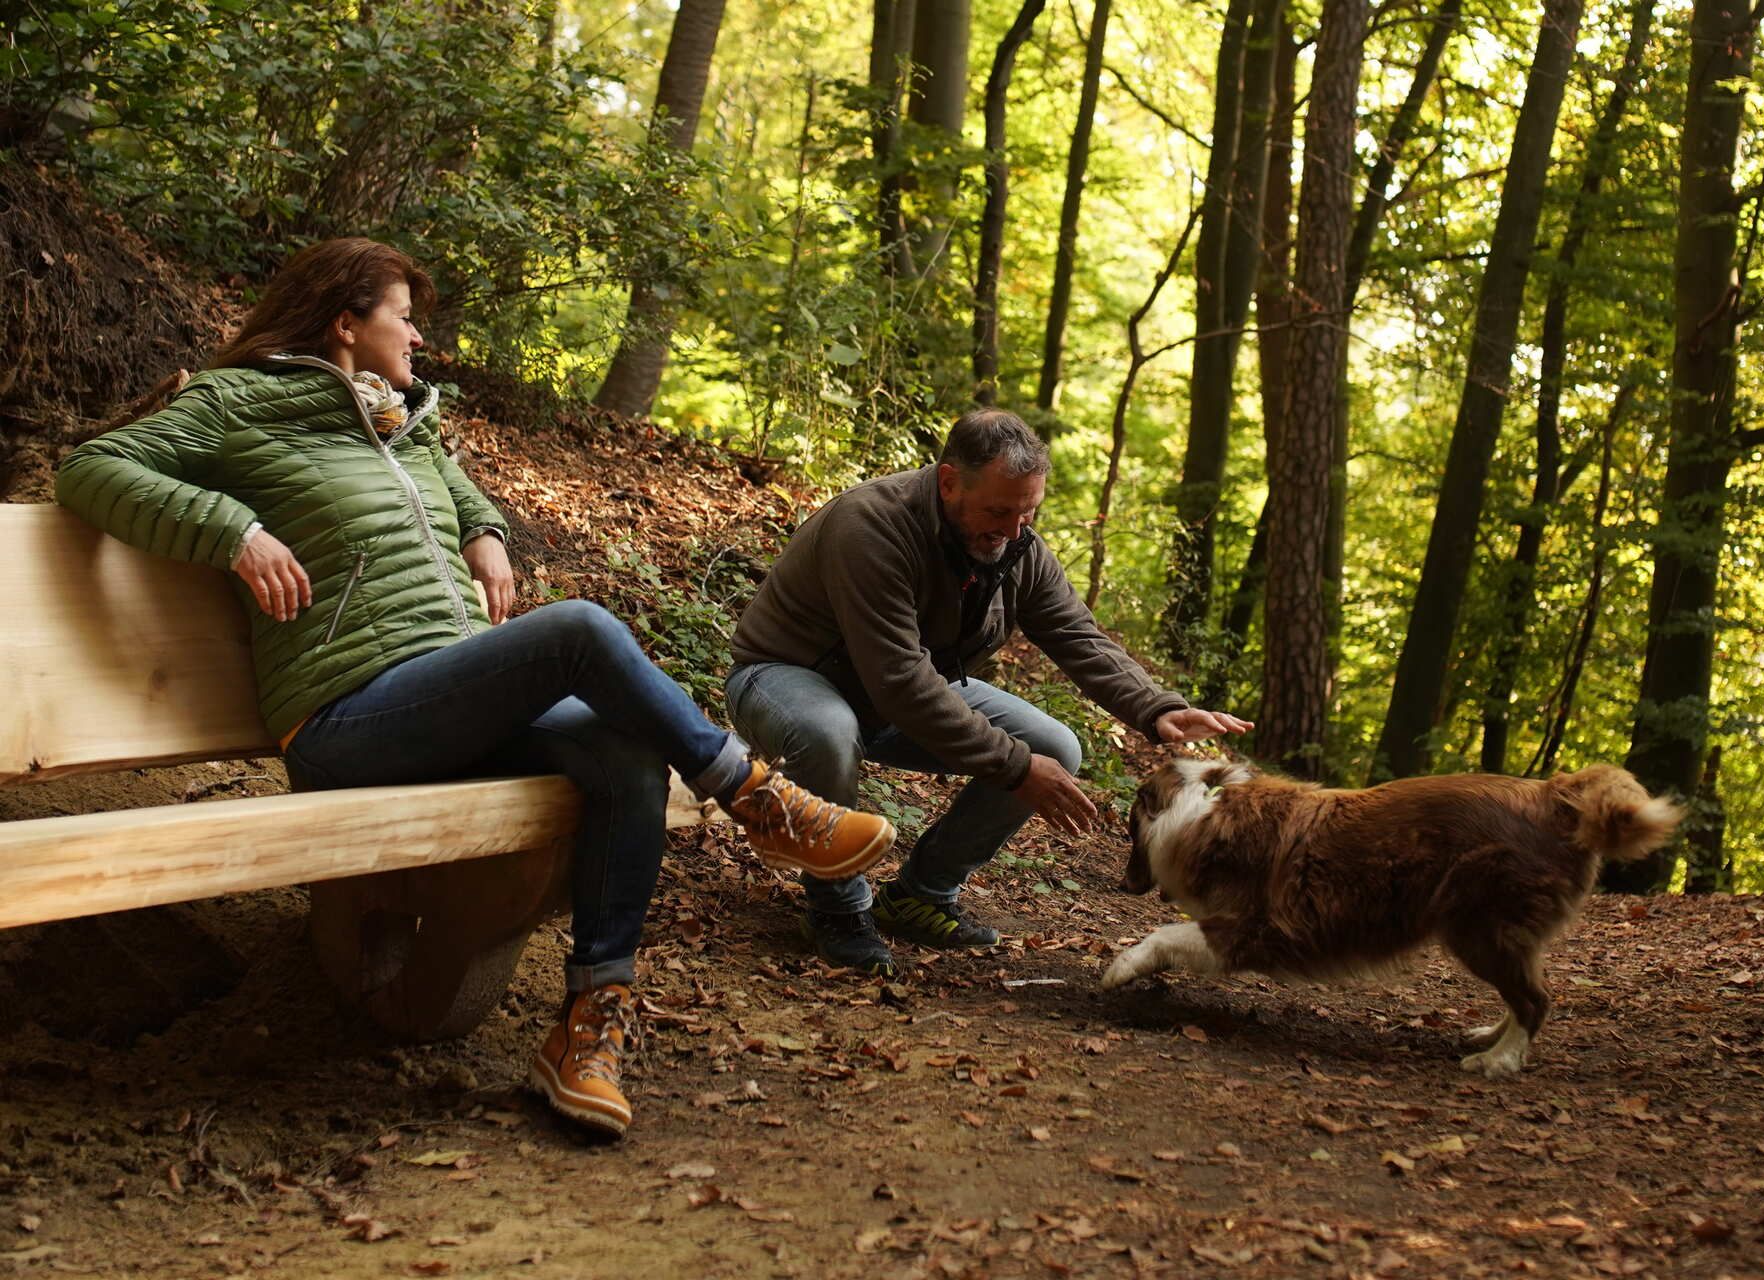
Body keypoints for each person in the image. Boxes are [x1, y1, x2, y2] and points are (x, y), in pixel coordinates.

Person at [55, 237, 895, 1138]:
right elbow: (90, 470)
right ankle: (754, 796)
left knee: (625, 753)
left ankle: (587, 1031)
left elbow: (454, 488)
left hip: (440, 699)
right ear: (346, 324)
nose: (418, 339)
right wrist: (232, 530)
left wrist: (487, 531)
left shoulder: (403, 421)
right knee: (577, 629)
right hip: (345, 721)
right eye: (403, 319)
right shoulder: (242, 402)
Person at [727, 408, 1251, 975]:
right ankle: (834, 909)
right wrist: (1015, 766)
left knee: (1056, 746)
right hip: (788, 678)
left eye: (1029, 511)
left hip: (897, 693)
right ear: (950, 481)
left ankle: (920, 896)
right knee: (828, 733)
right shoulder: (872, 526)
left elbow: (1074, 632)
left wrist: (1158, 707)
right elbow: (901, 677)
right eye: (1000, 510)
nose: (1015, 528)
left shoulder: (1017, 543)